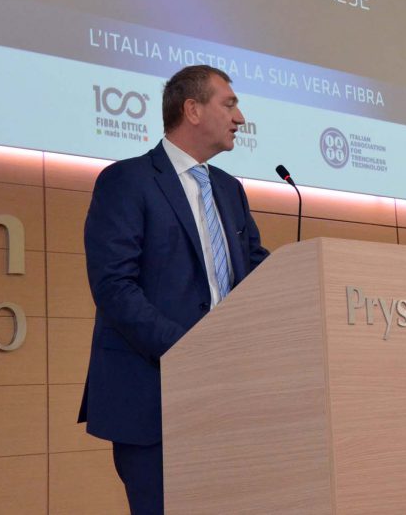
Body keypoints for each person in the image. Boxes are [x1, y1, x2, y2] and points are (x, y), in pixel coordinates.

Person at [79, 65, 269, 514]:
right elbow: (114, 286)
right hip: (154, 397)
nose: (240, 118)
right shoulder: (127, 181)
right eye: (229, 104)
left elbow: (257, 272)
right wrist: (190, 351)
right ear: (192, 110)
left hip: (228, 394)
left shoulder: (230, 190)